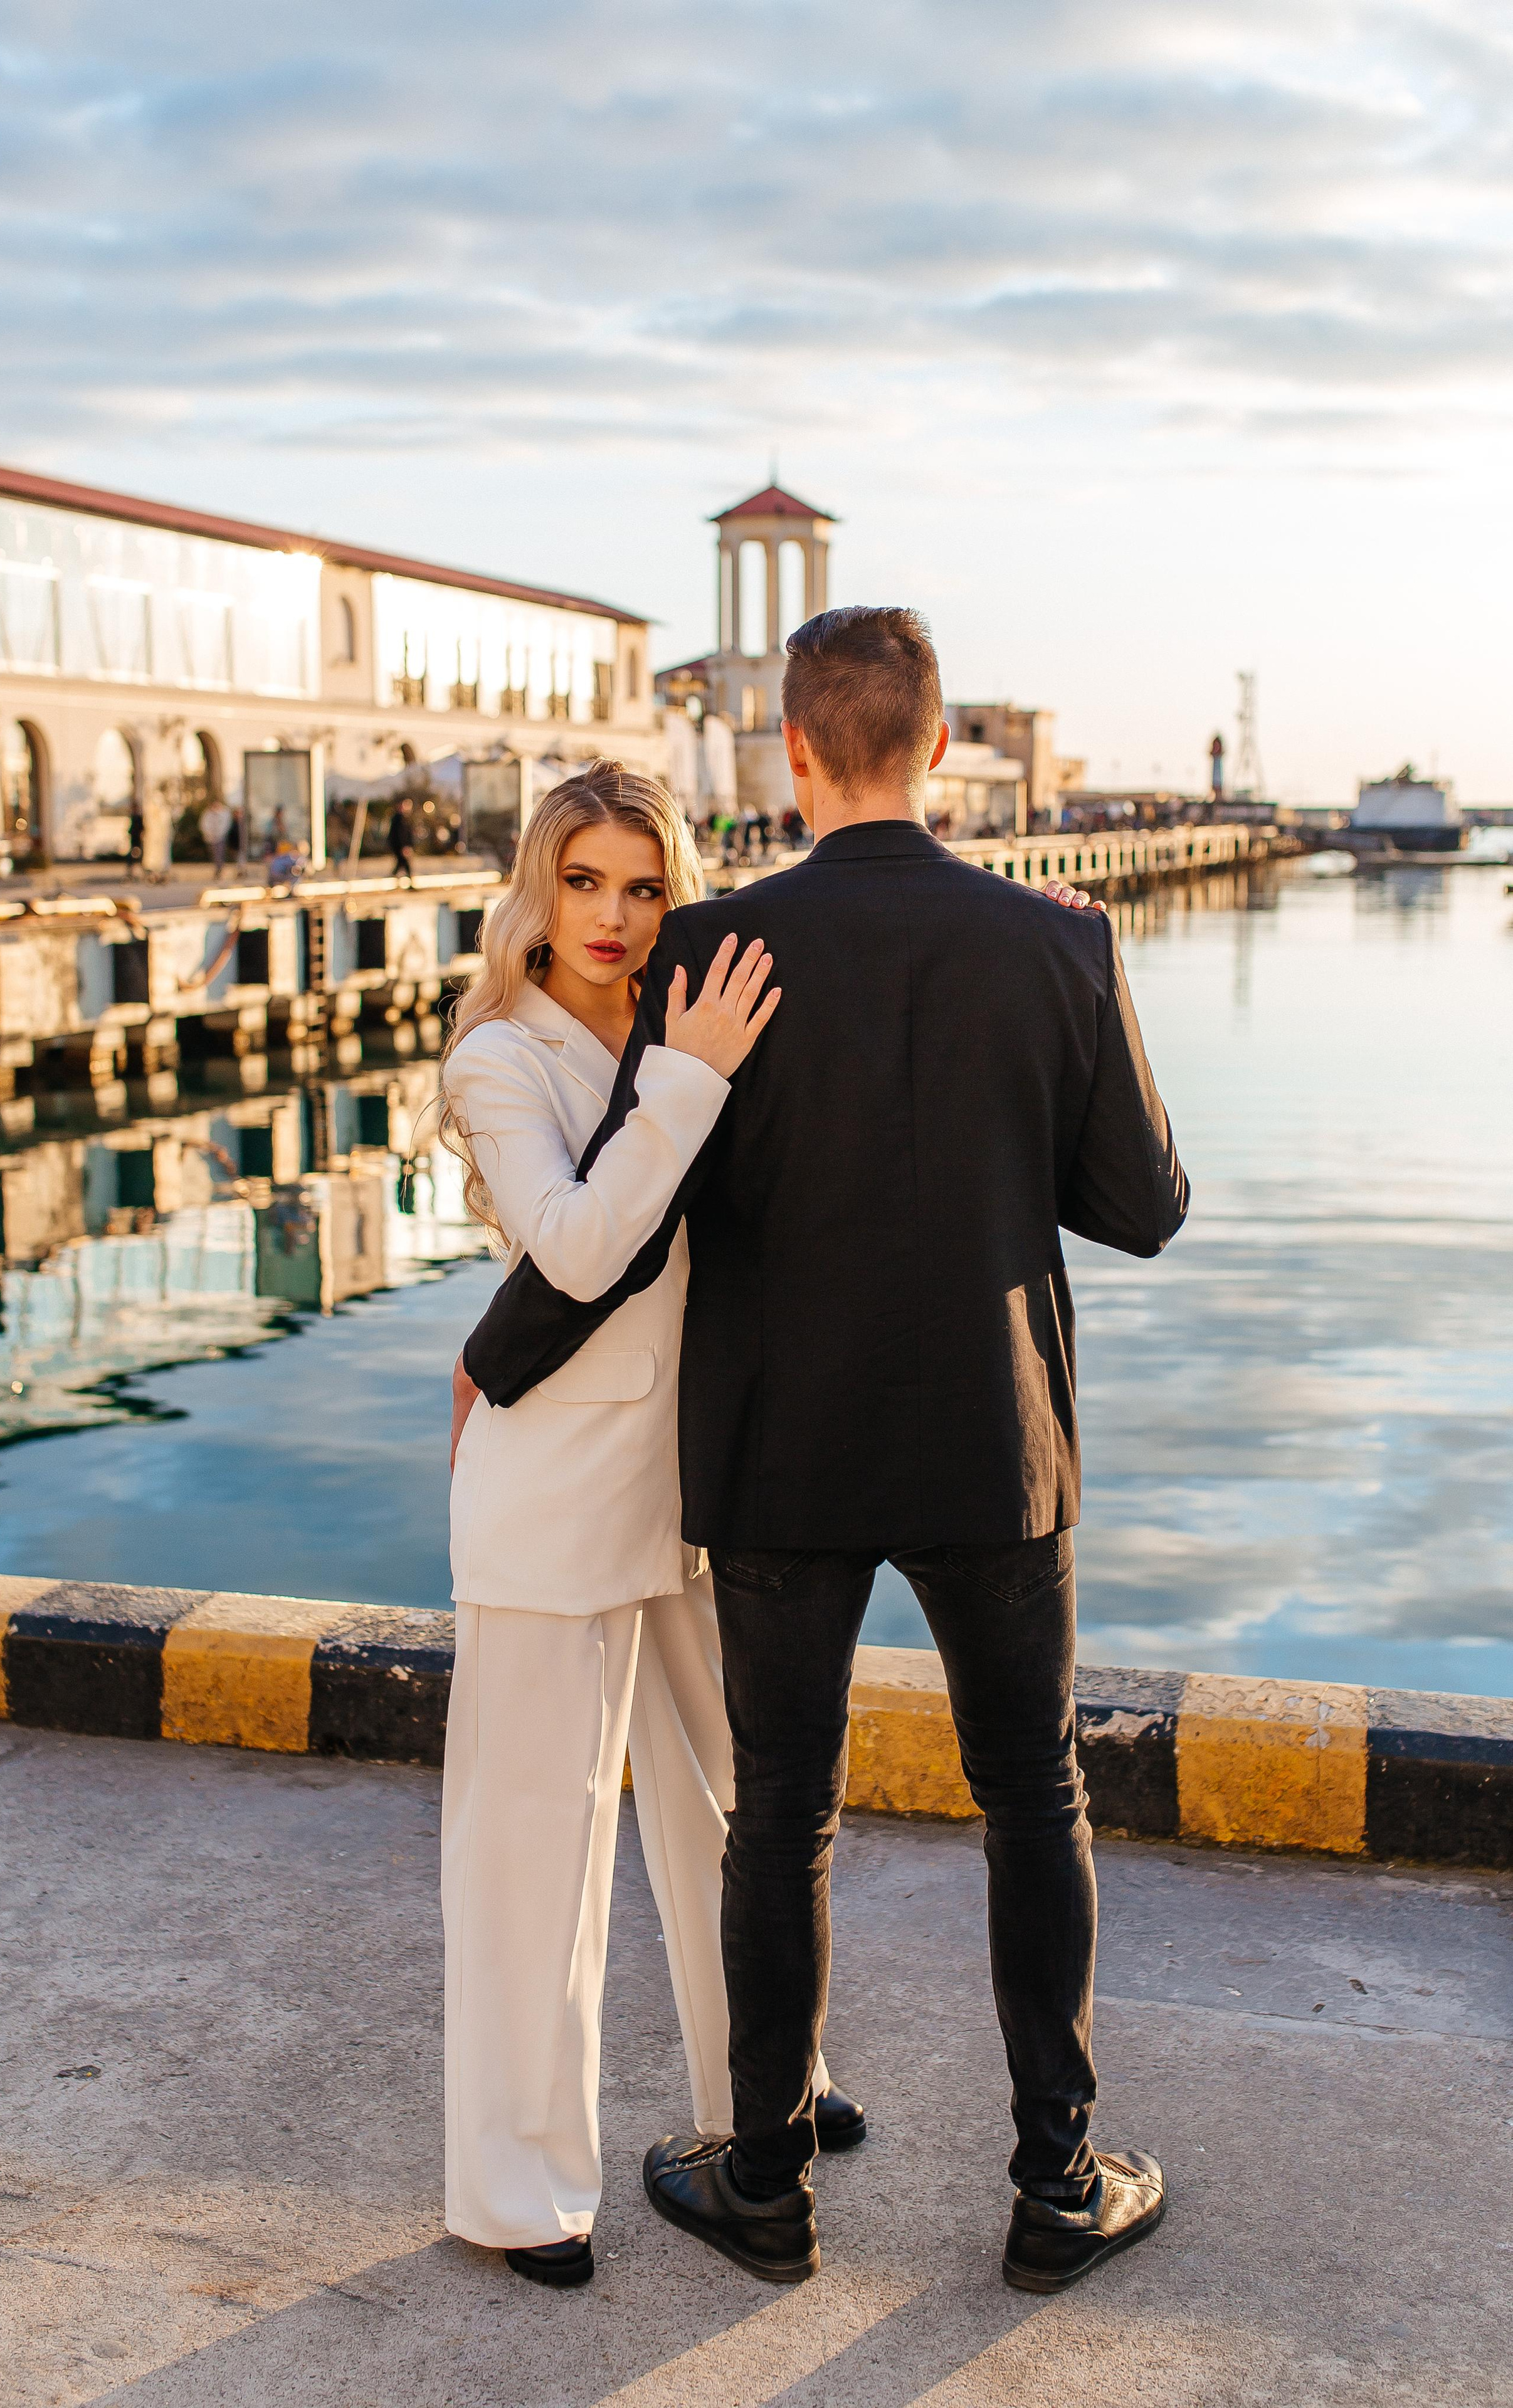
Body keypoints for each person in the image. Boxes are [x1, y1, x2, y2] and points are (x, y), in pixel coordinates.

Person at [456, 607, 1188, 2294]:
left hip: (780, 1451)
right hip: (996, 1452)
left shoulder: (713, 951)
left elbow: (633, 1224)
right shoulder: (1059, 941)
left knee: (779, 1814)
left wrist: (493, 1363)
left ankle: (766, 2190)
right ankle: (1056, 2186)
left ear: (791, 752)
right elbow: (1142, 1208)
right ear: (937, 745)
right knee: (1033, 1797)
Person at [439, 761, 861, 2294]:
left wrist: (1050, 918)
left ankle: (768, 2092)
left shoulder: (697, 1012)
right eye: (584, 881)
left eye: (643, 884)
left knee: (741, 1807)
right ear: (537, 893)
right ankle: (515, 2186)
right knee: (535, 1850)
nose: (613, 916)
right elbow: (577, 1241)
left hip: (700, 1479)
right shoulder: (502, 1053)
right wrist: (685, 1075)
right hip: (553, 1493)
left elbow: (891, 953)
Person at [199, 798, 232, 880]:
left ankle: (219, 869)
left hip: (220, 838)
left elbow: (225, 826)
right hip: (210, 838)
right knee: (214, 854)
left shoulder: (224, 813)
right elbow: (204, 825)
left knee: (219, 854)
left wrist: (219, 834)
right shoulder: (208, 814)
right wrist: (209, 834)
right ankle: (217, 868)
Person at [388, 796, 416, 882]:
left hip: (400, 845)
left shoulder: (404, 818)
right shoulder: (399, 819)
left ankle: (395, 877)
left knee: (401, 862)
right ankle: (410, 880)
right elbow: (400, 834)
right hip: (399, 845)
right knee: (403, 861)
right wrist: (404, 846)